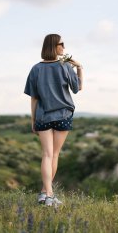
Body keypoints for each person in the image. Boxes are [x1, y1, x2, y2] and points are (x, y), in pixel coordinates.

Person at [24, 33, 83, 206]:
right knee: (54, 154)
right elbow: (77, 88)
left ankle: (44, 193)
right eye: (61, 43)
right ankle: (49, 195)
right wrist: (79, 67)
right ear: (53, 46)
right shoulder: (65, 66)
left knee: (47, 155)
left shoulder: (36, 69)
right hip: (63, 115)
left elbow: (33, 98)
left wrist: (33, 120)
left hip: (42, 116)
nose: (64, 47)